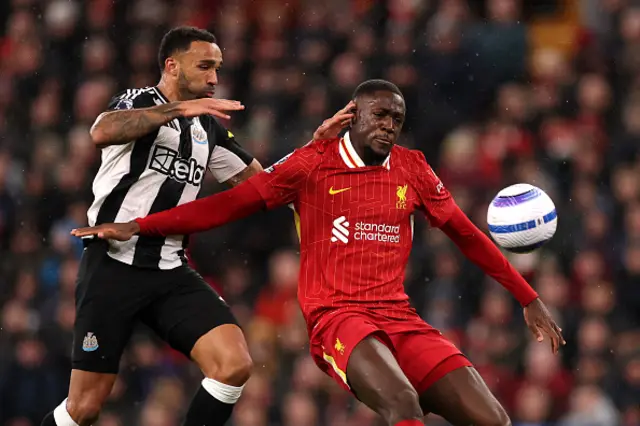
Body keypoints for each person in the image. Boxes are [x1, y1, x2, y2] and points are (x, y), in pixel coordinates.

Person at [72, 79, 566, 426]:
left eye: (398, 118)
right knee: (404, 404)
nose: (390, 125)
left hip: (400, 318)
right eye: (380, 115)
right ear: (354, 116)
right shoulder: (312, 165)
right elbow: (226, 206)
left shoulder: (414, 168)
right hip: (338, 319)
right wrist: (140, 224)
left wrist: (527, 296)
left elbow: (466, 234)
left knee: (492, 418)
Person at [43, 26, 350, 426]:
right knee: (84, 407)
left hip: (169, 269)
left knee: (234, 364)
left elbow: (263, 185)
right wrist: (174, 110)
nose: (214, 79)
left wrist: (314, 149)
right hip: (113, 266)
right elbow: (102, 130)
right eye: (204, 66)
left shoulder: (208, 127)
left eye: (217, 68)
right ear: (171, 65)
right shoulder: (140, 101)